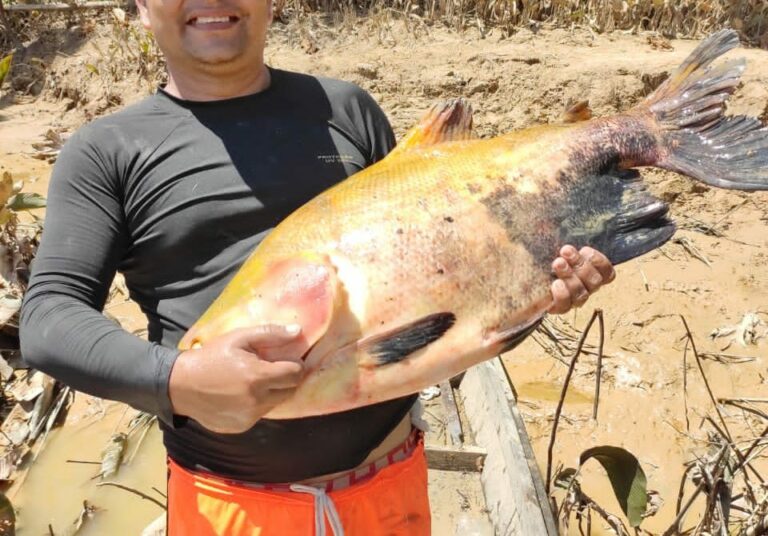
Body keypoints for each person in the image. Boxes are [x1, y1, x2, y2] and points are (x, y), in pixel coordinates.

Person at [18, 0, 616, 533]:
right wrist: (181, 381)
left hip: (390, 491)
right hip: (224, 507)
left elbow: (440, 284)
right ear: (140, 10)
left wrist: (532, 287)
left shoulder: (346, 110)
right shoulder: (106, 151)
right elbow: (48, 318)